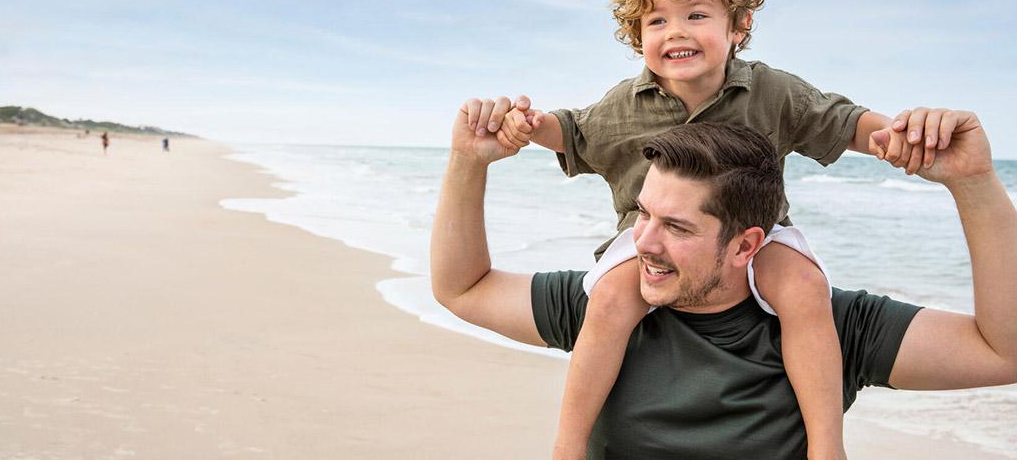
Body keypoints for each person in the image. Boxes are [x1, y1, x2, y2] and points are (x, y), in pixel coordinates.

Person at [465, 0, 966, 457]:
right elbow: (571, 131)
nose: (675, 31)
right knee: (611, 298)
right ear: (639, 36)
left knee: (804, 285)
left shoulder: (771, 90)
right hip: (646, 242)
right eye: (657, 20)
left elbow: (843, 121)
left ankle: (825, 446)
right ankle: (567, 447)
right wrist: (526, 126)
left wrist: (906, 136)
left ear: (740, 26)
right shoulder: (624, 103)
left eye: (696, 15)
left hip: (759, 235)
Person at [430, 110, 1016, 459]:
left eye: (677, 227)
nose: (644, 243)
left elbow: (1004, 350)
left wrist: (973, 183)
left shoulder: (832, 327)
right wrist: (466, 161)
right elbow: (463, 288)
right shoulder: (608, 304)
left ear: (745, 246)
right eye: (644, 215)